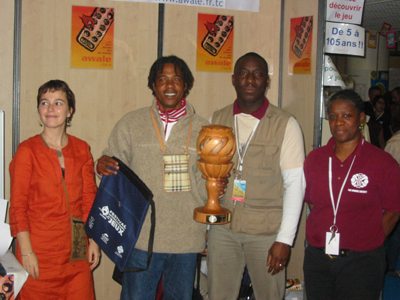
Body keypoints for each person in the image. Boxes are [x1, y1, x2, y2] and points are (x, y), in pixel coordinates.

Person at [97, 55, 216, 300]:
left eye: (176, 79)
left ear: (186, 86)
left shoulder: (205, 130)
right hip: (140, 238)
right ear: (153, 84)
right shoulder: (131, 123)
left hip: (186, 239)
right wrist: (102, 165)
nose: (169, 85)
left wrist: (216, 195)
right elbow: (113, 165)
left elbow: (208, 187)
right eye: (162, 79)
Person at [206, 52, 306, 300]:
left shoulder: (286, 124)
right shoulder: (216, 119)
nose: (250, 80)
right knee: (218, 295)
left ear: (267, 81)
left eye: (258, 74)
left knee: (269, 296)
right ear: (233, 79)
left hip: (266, 234)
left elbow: (296, 185)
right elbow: (206, 174)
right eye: (243, 73)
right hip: (223, 230)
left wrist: (285, 240)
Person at [303, 89, 400, 300]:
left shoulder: (382, 163)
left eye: (347, 115)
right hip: (317, 258)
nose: (339, 122)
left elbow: (393, 211)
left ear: (361, 119)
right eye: (333, 117)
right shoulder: (315, 159)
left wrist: (370, 241)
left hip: (362, 261)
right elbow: (312, 203)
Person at [9, 80, 100, 299]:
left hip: (76, 253)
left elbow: (90, 199)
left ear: (70, 111)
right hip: (38, 252)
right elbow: (18, 206)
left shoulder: (81, 149)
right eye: (44, 103)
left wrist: (95, 240)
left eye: (58, 103)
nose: (50, 109)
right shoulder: (26, 151)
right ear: (39, 110)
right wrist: (27, 252)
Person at [385, 108, 400, 278]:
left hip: (396, 192)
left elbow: (386, 174)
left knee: (395, 232)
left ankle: (390, 266)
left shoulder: (394, 143)